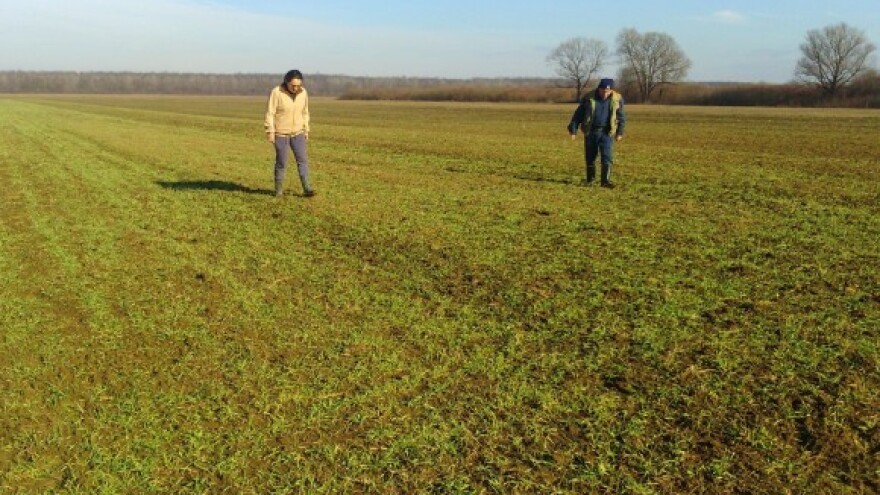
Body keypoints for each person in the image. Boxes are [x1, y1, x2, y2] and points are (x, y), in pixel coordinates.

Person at [567, 78, 626, 188]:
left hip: (606, 132)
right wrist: (573, 129)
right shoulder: (588, 98)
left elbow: (621, 117)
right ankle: (590, 180)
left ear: (611, 91)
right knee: (590, 157)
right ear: (598, 89)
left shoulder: (617, 100)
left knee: (607, 157)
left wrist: (620, 132)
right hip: (591, 132)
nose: (604, 94)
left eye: (607, 91)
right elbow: (578, 115)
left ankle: (605, 181)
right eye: (602, 91)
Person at [264, 69, 315, 197]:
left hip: (298, 132)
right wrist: (270, 131)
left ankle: (307, 188)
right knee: (282, 162)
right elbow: (270, 113)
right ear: (286, 82)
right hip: (281, 134)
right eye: (293, 85)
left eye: (298, 85)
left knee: (302, 160)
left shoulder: (303, 93)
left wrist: (306, 129)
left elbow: (305, 112)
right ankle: (278, 191)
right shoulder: (276, 92)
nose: (295, 88)